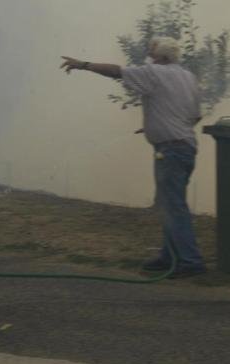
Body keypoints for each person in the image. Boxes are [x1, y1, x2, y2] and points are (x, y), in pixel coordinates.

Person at [60, 36, 206, 279]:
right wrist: (157, 125)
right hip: (184, 146)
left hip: (170, 150)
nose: (148, 55)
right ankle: (169, 256)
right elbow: (194, 116)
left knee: (174, 205)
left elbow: (117, 71)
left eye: (151, 52)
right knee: (170, 203)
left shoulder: (154, 72)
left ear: (161, 56)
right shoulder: (188, 77)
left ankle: (190, 261)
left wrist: (84, 64)